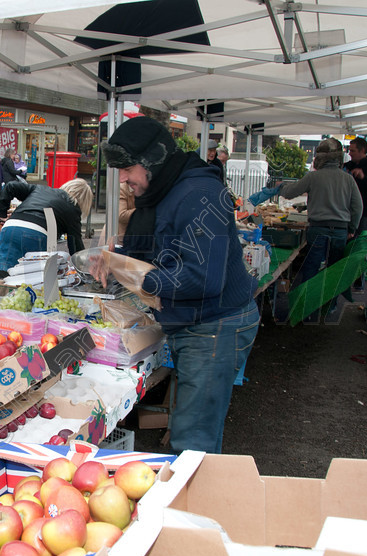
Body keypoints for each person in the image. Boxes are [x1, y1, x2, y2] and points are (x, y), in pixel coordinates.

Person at [97, 116, 260, 454]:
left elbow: (204, 277)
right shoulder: (166, 189)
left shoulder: (199, 193)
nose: (123, 178)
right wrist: (118, 260)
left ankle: (193, 501)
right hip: (197, 321)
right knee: (191, 428)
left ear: (153, 160)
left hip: (215, 325)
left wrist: (143, 278)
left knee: (192, 439)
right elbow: (161, 245)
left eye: (127, 168)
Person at [280, 138, 362, 315]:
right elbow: (358, 207)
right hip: (340, 230)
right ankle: (329, 306)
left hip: (318, 229)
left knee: (310, 267)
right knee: (333, 271)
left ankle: (302, 307)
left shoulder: (313, 176)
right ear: (339, 158)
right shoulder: (348, 179)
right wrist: (352, 229)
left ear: (319, 157)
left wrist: (281, 187)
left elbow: (289, 192)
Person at [0, 178, 92, 274]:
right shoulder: (73, 209)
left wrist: (2, 214)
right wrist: (85, 267)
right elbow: (75, 247)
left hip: (10, 228)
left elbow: (10, 186)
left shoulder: (40, 189)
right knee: (33, 280)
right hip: (36, 233)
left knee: (4, 276)